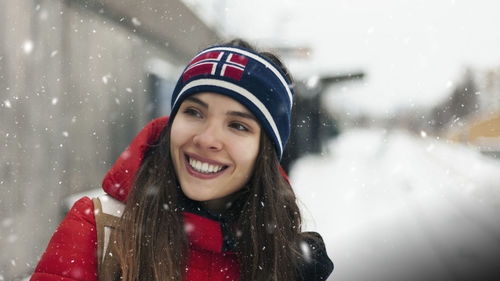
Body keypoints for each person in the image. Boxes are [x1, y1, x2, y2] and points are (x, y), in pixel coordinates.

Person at [30, 39, 333, 281]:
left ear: (263, 153)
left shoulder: (286, 259)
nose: (206, 139)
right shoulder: (100, 229)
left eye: (238, 125)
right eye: (194, 112)